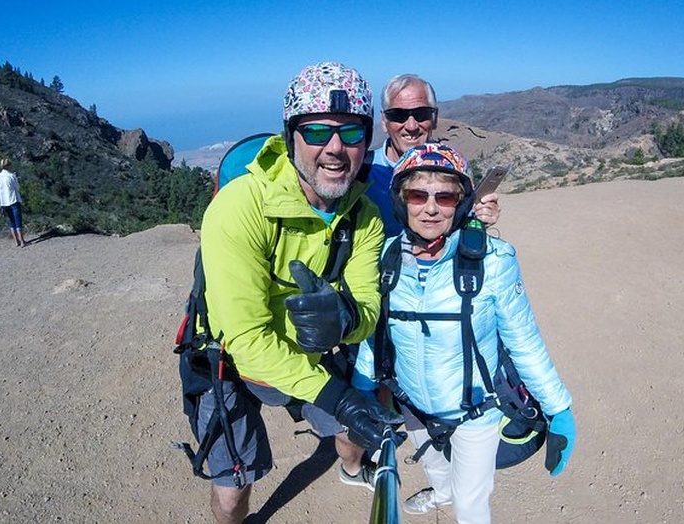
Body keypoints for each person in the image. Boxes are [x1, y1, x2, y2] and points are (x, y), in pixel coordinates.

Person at [197, 62, 403, 523]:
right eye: (316, 132)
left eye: (351, 133)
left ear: (367, 140)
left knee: (356, 432)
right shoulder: (240, 207)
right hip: (231, 360)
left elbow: (368, 304)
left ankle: (351, 469)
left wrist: (347, 319)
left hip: (314, 356)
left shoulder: (363, 214)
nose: (334, 148)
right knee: (233, 487)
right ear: (291, 137)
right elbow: (246, 338)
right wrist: (338, 396)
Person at [352, 143, 576, 523]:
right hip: (413, 405)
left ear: (461, 203)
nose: (431, 207)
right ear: (401, 200)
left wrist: (558, 408)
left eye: (446, 196)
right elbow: (375, 331)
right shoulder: (386, 258)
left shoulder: (494, 260)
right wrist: (361, 386)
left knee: (471, 507)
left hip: (475, 414)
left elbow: (523, 340)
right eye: (418, 194)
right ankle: (440, 492)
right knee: (435, 468)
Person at [367, 74, 500, 237]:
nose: (411, 126)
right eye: (398, 115)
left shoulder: (455, 166)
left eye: (421, 114)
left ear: (434, 118)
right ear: (383, 121)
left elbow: (459, 225)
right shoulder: (364, 170)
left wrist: (479, 220)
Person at [0, 158, 27, 247]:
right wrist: (16, 178)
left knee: (11, 222)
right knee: (18, 221)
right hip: (13, 199)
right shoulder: (11, 176)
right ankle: (22, 241)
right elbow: (17, 188)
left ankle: (16, 241)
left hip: (4, 201)